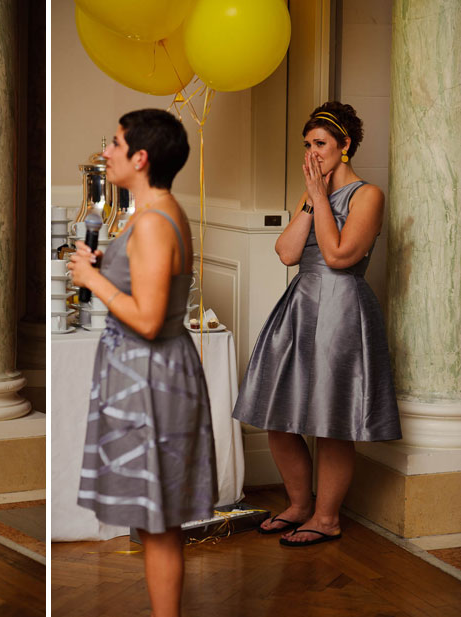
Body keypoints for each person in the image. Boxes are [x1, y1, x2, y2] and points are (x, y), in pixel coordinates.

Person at [68, 109, 217, 617]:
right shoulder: (160, 210)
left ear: (141, 157)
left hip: (149, 379)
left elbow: (150, 320)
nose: (106, 152)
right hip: (147, 374)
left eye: (114, 143)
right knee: (159, 523)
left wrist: (93, 282)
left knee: (157, 524)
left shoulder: (153, 222)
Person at [233, 101, 401, 547]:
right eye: (307, 144)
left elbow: (339, 255)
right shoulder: (309, 195)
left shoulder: (368, 195)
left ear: (345, 146)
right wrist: (310, 200)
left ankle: (326, 518)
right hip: (302, 304)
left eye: (321, 143)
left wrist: (322, 199)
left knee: (331, 421)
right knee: (278, 412)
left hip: (342, 308)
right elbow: (288, 253)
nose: (311, 152)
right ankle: (299, 505)